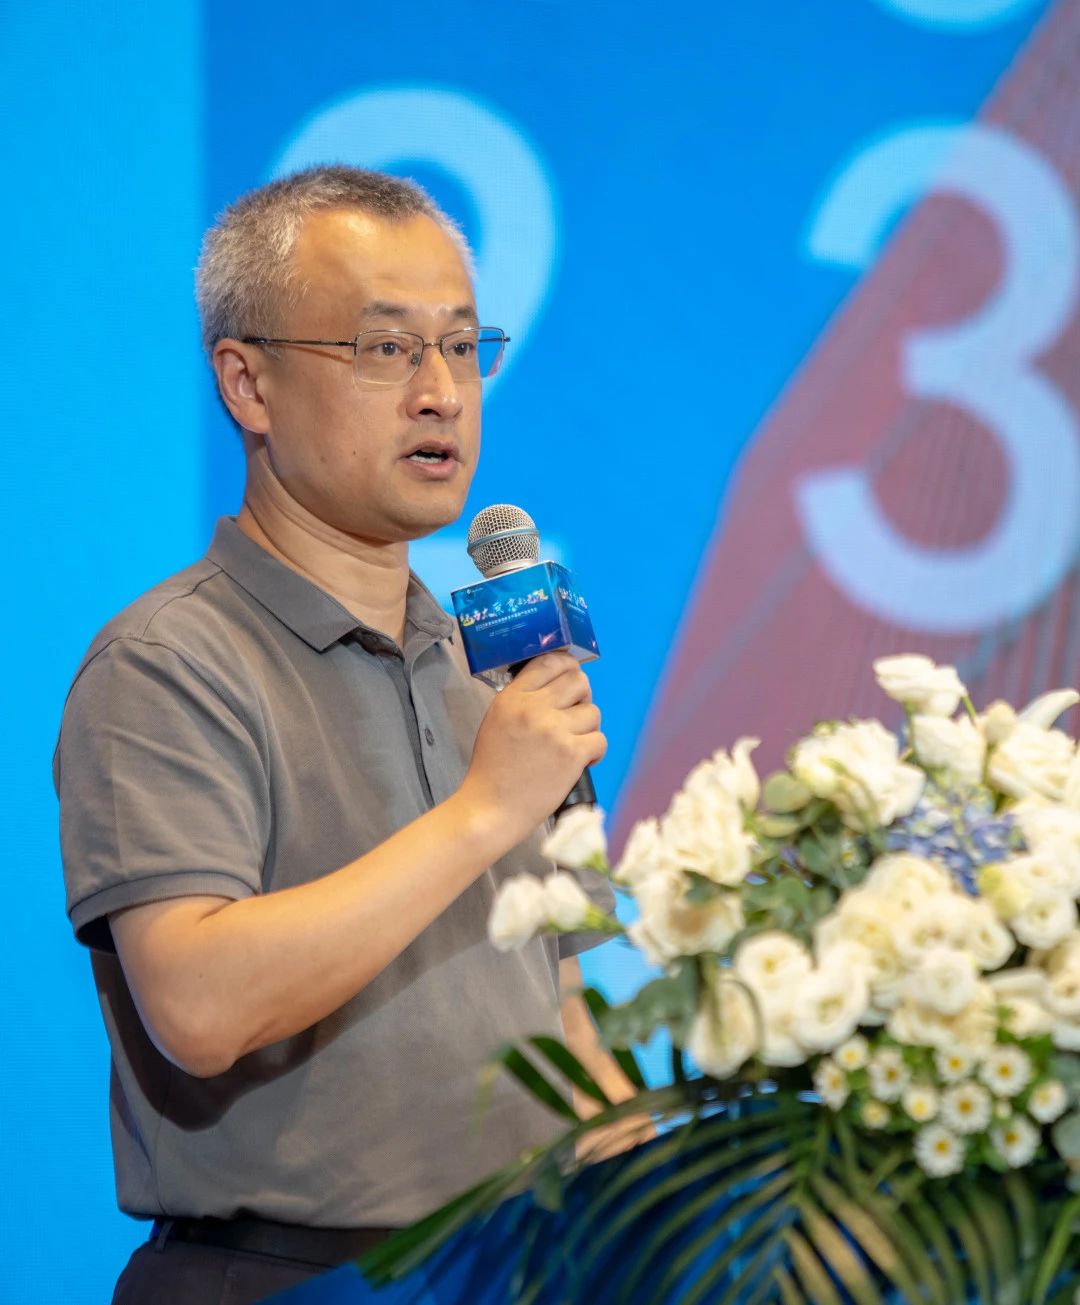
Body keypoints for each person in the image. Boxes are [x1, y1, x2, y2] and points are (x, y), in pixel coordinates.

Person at [54, 165, 641, 1305]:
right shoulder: (169, 661)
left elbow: (558, 1011)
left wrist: (673, 1224)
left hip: (524, 1272)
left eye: (462, 347)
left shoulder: (496, 670)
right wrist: (483, 812)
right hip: (288, 1278)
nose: (441, 394)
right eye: (386, 349)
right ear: (249, 383)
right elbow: (201, 1008)